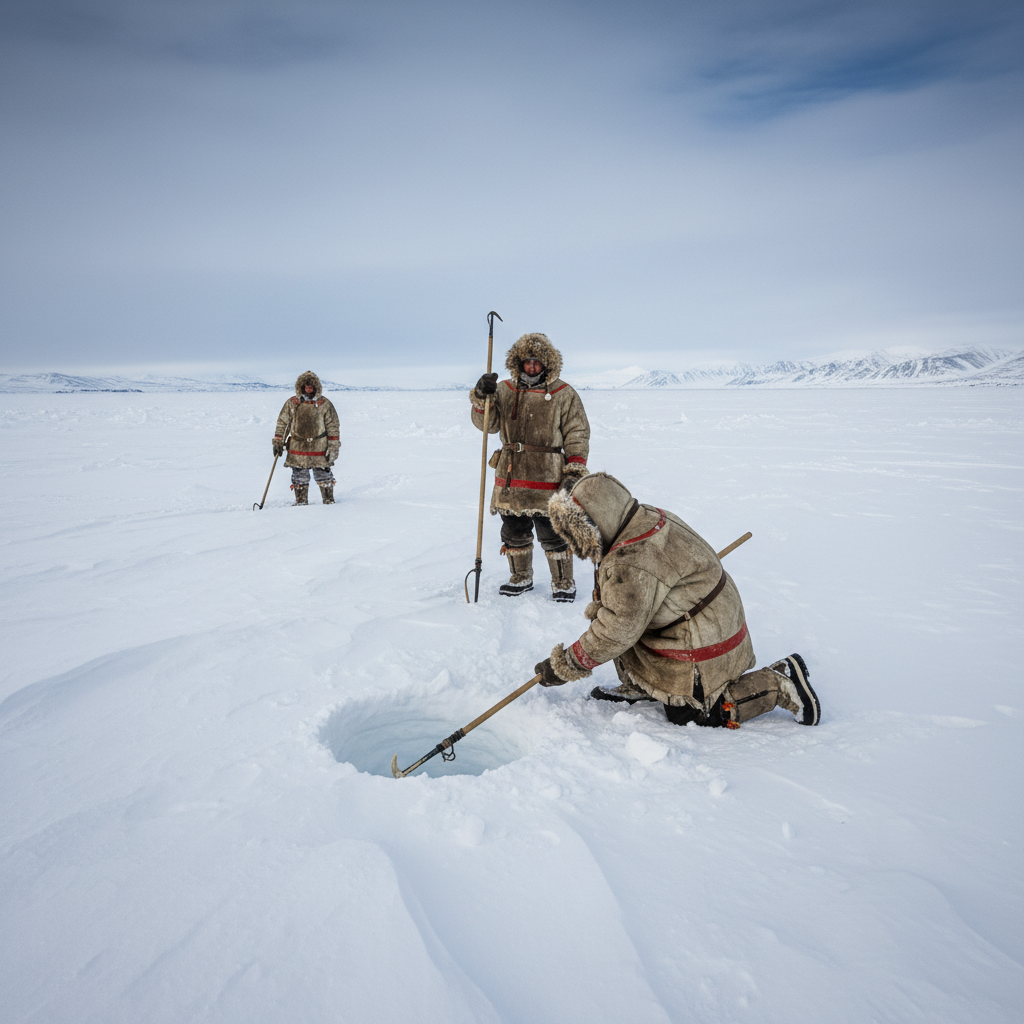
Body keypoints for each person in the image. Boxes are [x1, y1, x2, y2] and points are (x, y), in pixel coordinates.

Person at [532, 472, 820, 729]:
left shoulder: (631, 560)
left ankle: (778, 682)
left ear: (599, 521)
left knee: (691, 714)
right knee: (621, 614)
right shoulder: (641, 517)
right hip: (700, 611)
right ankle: (642, 684)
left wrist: (566, 663)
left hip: (702, 631)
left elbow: (617, 628)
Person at [471, 332, 590, 601]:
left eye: (537, 362)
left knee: (554, 532)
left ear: (547, 363)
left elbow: (577, 433)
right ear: (519, 363)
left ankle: (563, 582)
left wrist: (574, 469)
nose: (532, 366)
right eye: (528, 361)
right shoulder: (504, 390)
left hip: (549, 476)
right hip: (510, 476)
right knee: (514, 531)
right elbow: (488, 425)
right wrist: (482, 397)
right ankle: (520, 577)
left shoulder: (563, 393)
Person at [272, 371, 340, 505]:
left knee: (323, 474)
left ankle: (329, 501)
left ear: (316, 387)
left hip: (319, 446)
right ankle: (301, 502)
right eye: (306, 385)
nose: (308, 388)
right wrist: (278, 440)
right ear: (301, 387)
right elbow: (282, 422)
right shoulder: (292, 403)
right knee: (299, 475)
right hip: (298, 445)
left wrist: (333, 446)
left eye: (311, 385)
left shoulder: (324, 404)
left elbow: (333, 425)